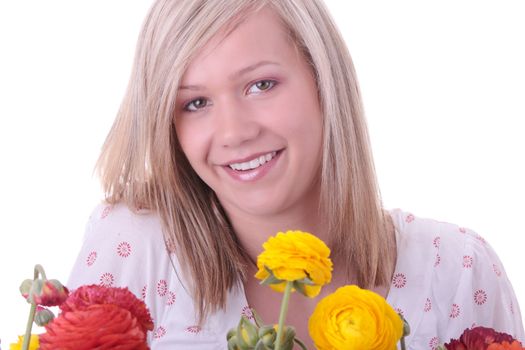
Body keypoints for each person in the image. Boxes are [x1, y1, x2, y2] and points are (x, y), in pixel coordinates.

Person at [67, 0, 524, 348]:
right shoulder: (138, 246)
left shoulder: (459, 270)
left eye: (261, 85)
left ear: (324, 80)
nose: (234, 132)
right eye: (196, 103)